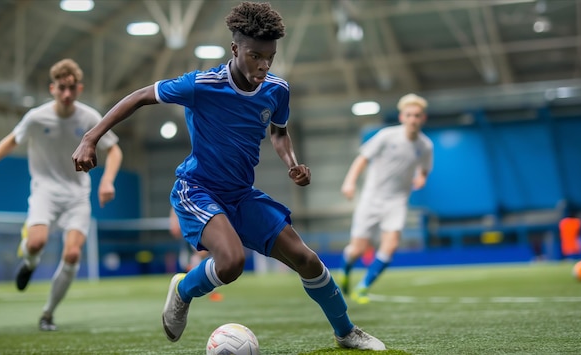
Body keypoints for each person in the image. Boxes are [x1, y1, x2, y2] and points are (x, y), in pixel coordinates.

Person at [72, 2, 385, 351]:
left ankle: (346, 332)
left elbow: (279, 133)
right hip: (198, 189)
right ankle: (182, 290)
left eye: (270, 57)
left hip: (241, 194)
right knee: (232, 261)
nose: (264, 65)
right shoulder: (202, 85)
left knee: (308, 260)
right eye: (255, 56)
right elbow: (140, 96)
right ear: (235, 49)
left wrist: (292, 163)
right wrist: (90, 138)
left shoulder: (277, 90)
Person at [0, 58, 123, 331]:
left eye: (71, 88)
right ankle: (28, 261)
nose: (66, 94)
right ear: (52, 88)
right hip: (45, 193)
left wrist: (107, 181)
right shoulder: (37, 117)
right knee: (36, 243)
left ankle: (47, 314)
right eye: (61, 88)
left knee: (73, 254)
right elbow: (12, 140)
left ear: (79, 88)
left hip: (77, 195)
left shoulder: (89, 117)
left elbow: (114, 149)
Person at [339, 93, 433, 304]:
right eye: (409, 115)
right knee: (358, 249)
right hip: (371, 198)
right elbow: (362, 159)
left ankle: (363, 287)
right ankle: (345, 270)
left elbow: (425, 169)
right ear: (402, 117)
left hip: (397, 201)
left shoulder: (425, 146)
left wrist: (421, 178)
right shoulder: (386, 136)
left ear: (422, 118)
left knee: (390, 246)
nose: (413, 119)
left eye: (417, 115)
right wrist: (349, 182)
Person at [169, 208, 223, 301]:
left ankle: (204, 288)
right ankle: (186, 288)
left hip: (197, 232)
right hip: (190, 235)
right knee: (193, 261)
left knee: (199, 258)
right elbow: (175, 227)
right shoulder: (179, 203)